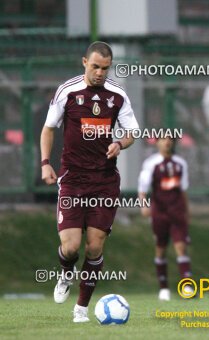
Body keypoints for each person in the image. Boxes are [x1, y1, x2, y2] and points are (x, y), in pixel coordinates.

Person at [40, 41, 139, 322]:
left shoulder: (118, 96)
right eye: (95, 66)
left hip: (104, 181)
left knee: (94, 246)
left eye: (105, 69)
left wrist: (120, 143)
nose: (99, 73)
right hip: (72, 179)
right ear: (84, 62)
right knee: (70, 247)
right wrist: (46, 164)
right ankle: (65, 274)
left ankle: (81, 309)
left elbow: (132, 132)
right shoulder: (67, 91)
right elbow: (48, 129)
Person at [138, 137, 193, 301]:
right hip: (159, 213)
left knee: (181, 247)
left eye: (170, 140)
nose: (167, 143)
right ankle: (163, 288)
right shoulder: (151, 163)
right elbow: (143, 189)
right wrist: (144, 205)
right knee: (160, 248)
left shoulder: (180, 163)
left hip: (177, 212)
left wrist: (187, 211)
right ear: (158, 143)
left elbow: (183, 190)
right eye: (163, 140)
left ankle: (187, 286)